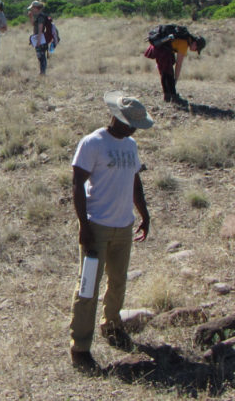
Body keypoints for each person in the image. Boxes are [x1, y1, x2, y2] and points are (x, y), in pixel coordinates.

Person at [68, 91, 153, 374]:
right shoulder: (93, 143)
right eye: (130, 123)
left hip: (123, 226)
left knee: (118, 282)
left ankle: (112, 326)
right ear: (116, 118)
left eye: (136, 126)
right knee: (88, 287)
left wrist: (144, 214)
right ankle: (80, 347)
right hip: (98, 227)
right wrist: (83, 226)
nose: (133, 129)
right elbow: (77, 184)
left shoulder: (130, 145)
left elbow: (135, 183)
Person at [144, 31, 207, 103]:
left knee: (167, 71)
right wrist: (175, 79)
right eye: (197, 49)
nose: (195, 50)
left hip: (161, 49)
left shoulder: (185, 39)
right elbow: (179, 64)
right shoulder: (184, 43)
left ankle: (168, 96)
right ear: (195, 43)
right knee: (169, 74)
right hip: (162, 50)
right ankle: (172, 97)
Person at [26, 1, 52, 75]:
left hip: (40, 39)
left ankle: (42, 72)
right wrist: (30, 17)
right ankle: (42, 72)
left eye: (32, 8)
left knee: (41, 56)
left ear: (36, 8)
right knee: (40, 56)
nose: (31, 10)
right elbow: (34, 25)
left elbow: (40, 29)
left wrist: (38, 41)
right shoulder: (39, 16)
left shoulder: (41, 17)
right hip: (40, 38)